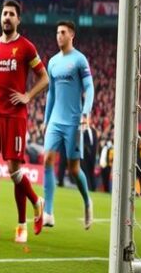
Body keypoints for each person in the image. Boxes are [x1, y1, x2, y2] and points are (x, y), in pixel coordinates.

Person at [0, 0, 49, 243]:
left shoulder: (26, 47)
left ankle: (33, 206)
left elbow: (44, 78)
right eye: (4, 13)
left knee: (14, 170)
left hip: (15, 116)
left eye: (11, 14)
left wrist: (28, 95)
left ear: (18, 20)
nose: (7, 17)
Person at [42, 21, 95, 230]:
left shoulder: (80, 60)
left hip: (74, 122)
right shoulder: (53, 62)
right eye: (57, 32)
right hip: (55, 120)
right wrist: (46, 121)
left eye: (63, 32)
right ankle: (48, 212)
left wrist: (85, 113)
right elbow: (51, 94)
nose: (59, 36)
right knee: (47, 159)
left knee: (74, 170)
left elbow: (89, 88)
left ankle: (87, 201)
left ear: (71, 35)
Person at [81, 120, 99, 191]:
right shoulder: (82, 132)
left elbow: (95, 144)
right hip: (85, 156)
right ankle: (87, 187)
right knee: (85, 172)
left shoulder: (94, 131)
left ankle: (93, 188)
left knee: (91, 172)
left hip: (92, 156)